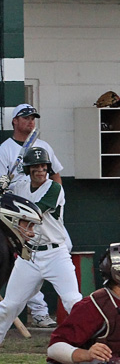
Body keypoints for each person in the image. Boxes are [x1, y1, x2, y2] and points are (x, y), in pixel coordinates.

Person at [0, 147, 82, 345]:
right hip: (30, 255)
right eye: (35, 166)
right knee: (9, 305)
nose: (40, 170)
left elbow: (34, 213)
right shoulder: (20, 186)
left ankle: (90, 341)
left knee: (73, 301)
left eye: (43, 166)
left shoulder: (54, 188)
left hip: (55, 254)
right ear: (28, 169)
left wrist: (7, 198)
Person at [0, 103, 66, 328]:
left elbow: (55, 174)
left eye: (33, 118)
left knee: (57, 251)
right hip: (14, 207)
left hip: (42, 209)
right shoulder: (5, 149)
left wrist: (57, 198)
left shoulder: (43, 146)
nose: (30, 121)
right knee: (25, 262)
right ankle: (38, 311)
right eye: (25, 117)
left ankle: (44, 313)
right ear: (14, 121)